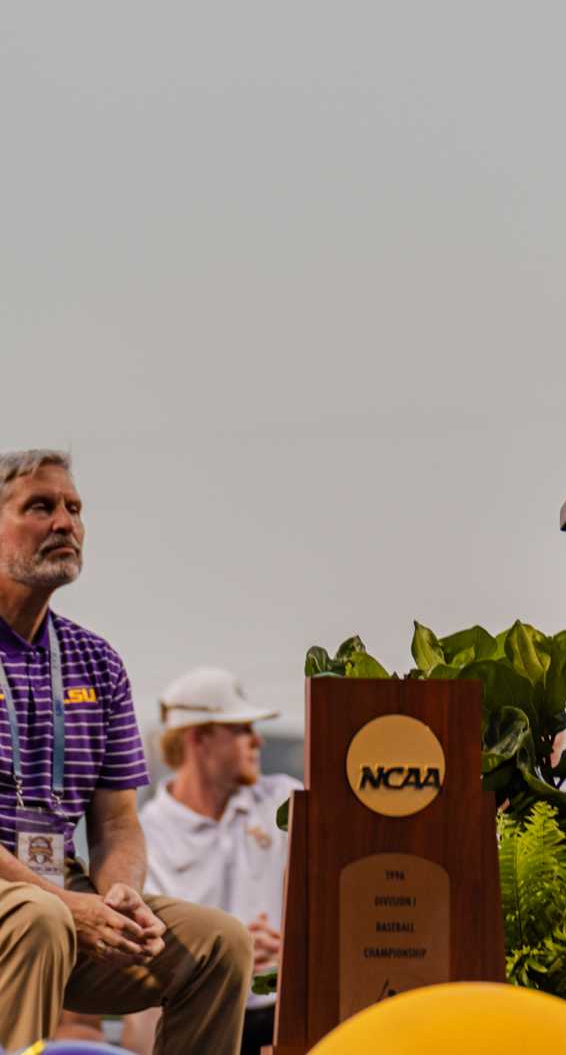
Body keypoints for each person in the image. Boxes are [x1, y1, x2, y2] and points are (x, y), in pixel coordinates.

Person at [0, 450, 252, 1053]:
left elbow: (116, 822)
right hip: (33, 908)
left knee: (220, 944)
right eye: (40, 506)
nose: (65, 523)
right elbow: (48, 907)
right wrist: (64, 903)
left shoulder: (97, 661)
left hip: (55, 894)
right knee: (41, 920)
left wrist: (120, 897)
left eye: (74, 508)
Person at [123, 668, 297, 1055]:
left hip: (285, 1014)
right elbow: (149, 951)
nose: (258, 740)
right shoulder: (144, 836)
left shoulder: (286, 800)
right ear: (199, 738)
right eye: (241, 728)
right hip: (201, 1017)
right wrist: (230, 953)